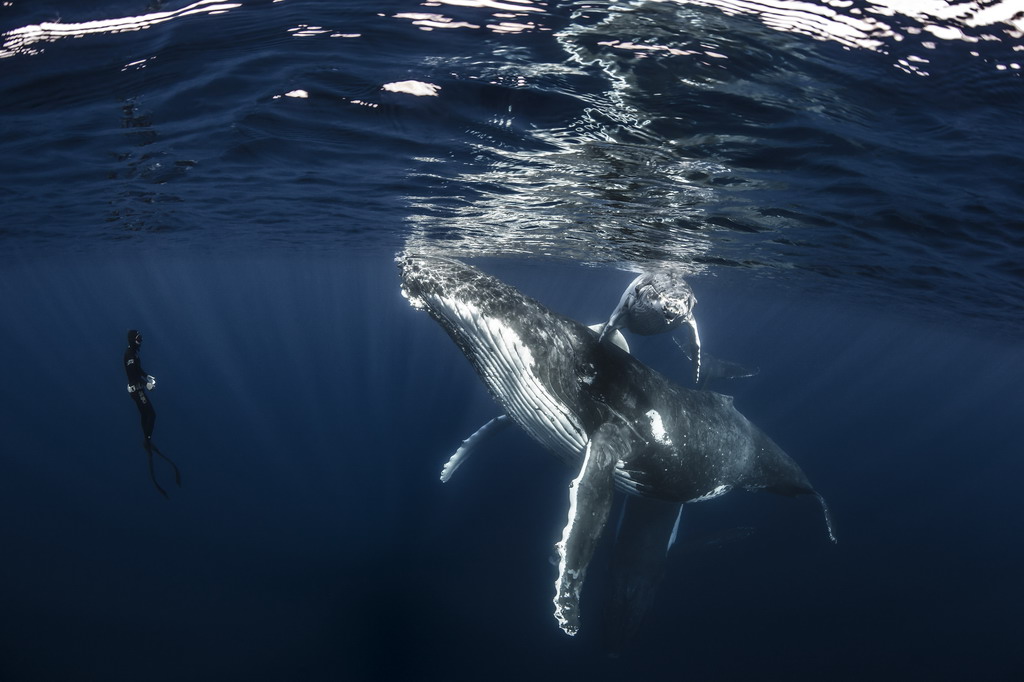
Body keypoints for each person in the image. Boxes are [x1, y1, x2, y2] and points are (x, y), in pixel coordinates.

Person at [124, 329, 181, 498]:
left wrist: (148, 376)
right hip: (137, 390)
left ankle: (146, 440)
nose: (140, 341)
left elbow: (138, 370)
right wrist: (145, 384)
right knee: (151, 414)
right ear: (133, 339)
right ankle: (147, 440)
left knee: (145, 414)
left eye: (141, 338)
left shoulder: (133, 353)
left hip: (138, 389)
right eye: (138, 338)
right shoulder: (129, 355)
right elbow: (133, 373)